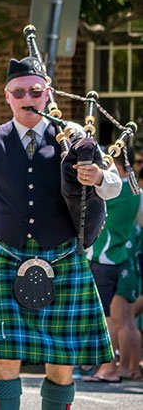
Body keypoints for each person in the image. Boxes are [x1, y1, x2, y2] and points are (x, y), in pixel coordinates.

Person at [0, 56, 122, 410]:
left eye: (35, 90)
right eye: (19, 92)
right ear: (8, 97)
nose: (28, 98)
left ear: (47, 93)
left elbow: (114, 185)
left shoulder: (74, 136)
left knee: (62, 365)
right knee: (4, 362)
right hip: (8, 257)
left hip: (64, 257)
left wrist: (98, 177)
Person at [85, 146, 143, 383]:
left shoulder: (114, 190)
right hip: (124, 257)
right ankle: (129, 369)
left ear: (116, 166)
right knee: (126, 320)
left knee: (108, 319)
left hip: (104, 257)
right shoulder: (136, 191)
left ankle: (108, 369)